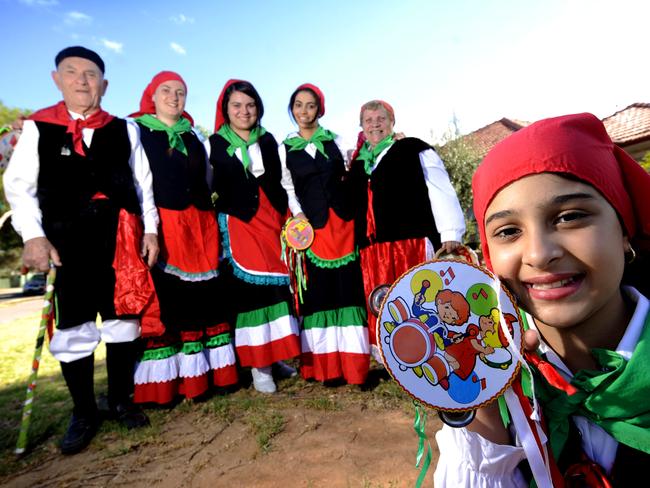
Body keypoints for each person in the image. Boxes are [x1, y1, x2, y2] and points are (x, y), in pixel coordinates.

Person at [434, 113, 650, 487]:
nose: (538, 254)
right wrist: (482, 412)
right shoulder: (498, 377)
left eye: (569, 217)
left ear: (625, 231)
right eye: (508, 231)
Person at [3, 46, 159, 454]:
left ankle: (121, 398)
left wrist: (152, 231)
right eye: (72, 72)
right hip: (65, 242)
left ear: (103, 84)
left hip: (119, 240)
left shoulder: (125, 129)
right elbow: (19, 188)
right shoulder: (39, 128)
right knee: (74, 328)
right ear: (58, 79)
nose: (82, 80)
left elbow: (143, 185)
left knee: (123, 321)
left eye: (91, 74)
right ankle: (84, 411)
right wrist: (33, 237)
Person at [128, 71, 238, 404]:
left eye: (180, 92)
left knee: (205, 296)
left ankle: (211, 376)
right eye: (167, 90)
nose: (174, 97)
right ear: (152, 94)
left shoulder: (193, 136)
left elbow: (207, 177)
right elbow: (139, 181)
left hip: (200, 223)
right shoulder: (137, 130)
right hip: (167, 223)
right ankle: (175, 383)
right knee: (174, 298)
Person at [348, 100, 465, 359]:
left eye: (381, 118)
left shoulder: (412, 148)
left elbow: (439, 186)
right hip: (372, 248)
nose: (375, 124)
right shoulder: (358, 163)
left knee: (416, 300)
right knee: (381, 303)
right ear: (361, 126)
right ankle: (393, 356)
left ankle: (429, 352)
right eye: (368, 120)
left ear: (392, 122)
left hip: (409, 242)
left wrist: (450, 232)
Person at [207, 79, 300, 394]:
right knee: (250, 296)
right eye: (237, 105)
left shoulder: (270, 140)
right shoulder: (215, 145)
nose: (244, 111)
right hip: (240, 224)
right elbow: (208, 188)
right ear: (226, 110)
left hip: (272, 223)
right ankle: (259, 368)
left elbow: (283, 182)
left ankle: (275, 359)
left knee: (276, 292)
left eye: (250, 105)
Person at [279, 83, 370, 385]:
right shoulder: (285, 148)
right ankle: (328, 369)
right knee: (321, 297)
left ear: (320, 109)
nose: (304, 111)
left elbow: (358, 163)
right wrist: (299, 215)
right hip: (313, 229)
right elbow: (288, 188)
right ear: (292, 110)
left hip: (343, 224)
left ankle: (355, 369)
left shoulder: (337, 140)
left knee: (347, 292)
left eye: (310, 105)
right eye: (298, 105)